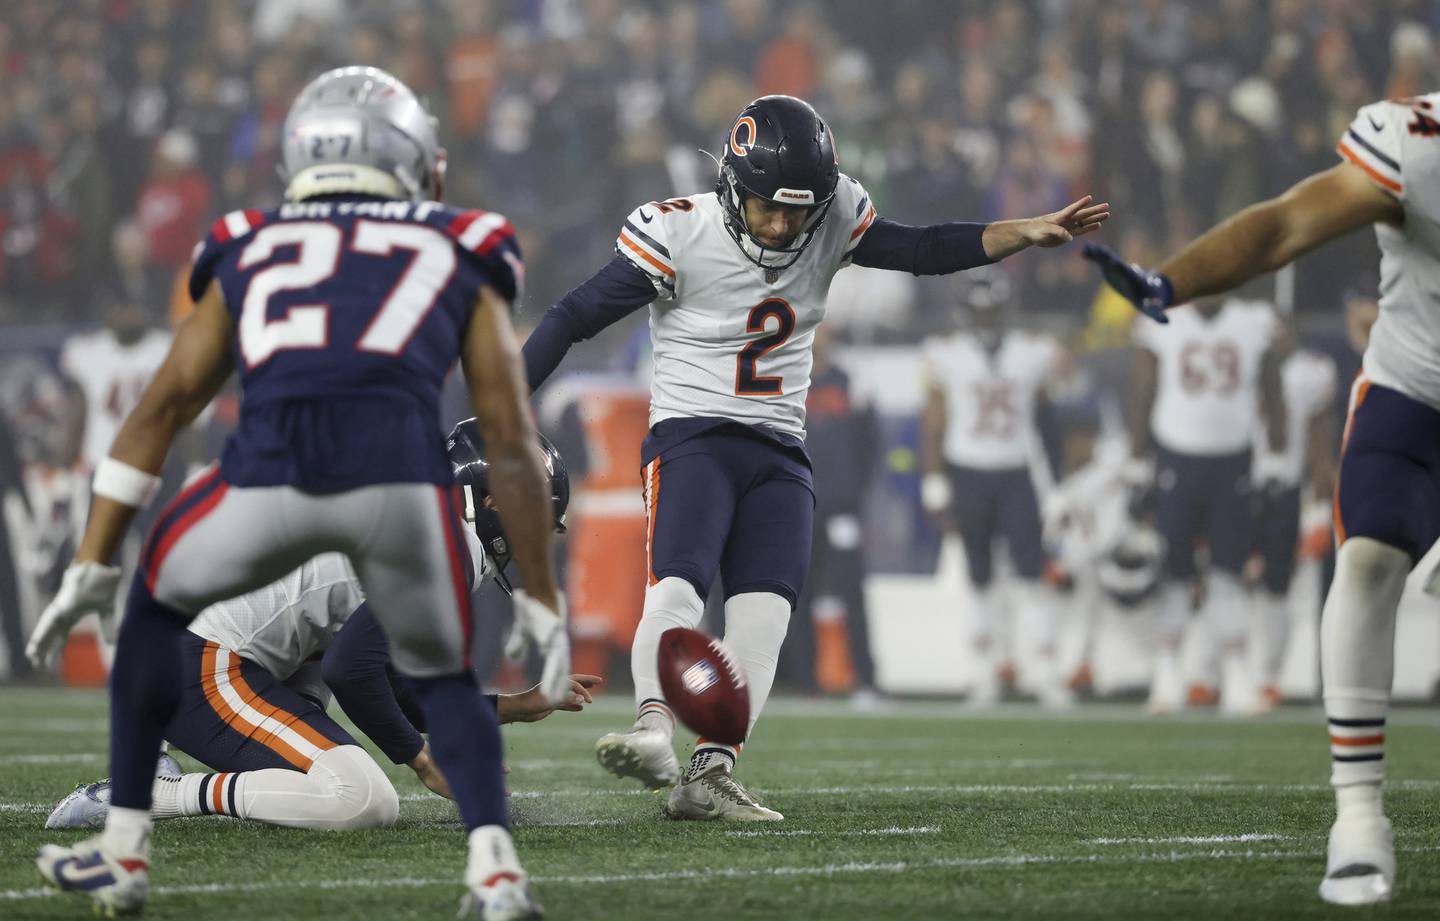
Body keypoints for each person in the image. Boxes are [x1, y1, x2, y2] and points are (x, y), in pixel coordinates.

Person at [25, 67, 566, 921]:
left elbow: (161, 409)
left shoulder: (247, 238)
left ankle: (125, 842)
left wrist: (95, 557)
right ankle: (152, 805)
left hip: (262, 512)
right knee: (362, 797)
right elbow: (504, 436)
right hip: (244, 632)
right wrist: (538, 600)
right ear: (413, 165)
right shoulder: (463, 243)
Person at [521, 94, 1108, 820]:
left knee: (764, 613)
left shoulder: (832, 217)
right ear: (733, 186)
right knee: (676, 583)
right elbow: (570, 318)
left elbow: (921, 250)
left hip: (779, 447)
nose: (780, 224)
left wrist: (1022, 232)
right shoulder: (678, 231)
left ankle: (711, 772)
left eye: (796, 211)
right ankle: (651, 728)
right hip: (694, 436)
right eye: (766, 206)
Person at [1084, 92, 1438, 905]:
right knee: (1370, 557)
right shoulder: (1419, 142)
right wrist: (1169, 282)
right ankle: (1357, 817)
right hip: (1414, 391)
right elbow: (1283, 225)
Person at [47, 423, 598, 833]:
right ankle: (147, 793)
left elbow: (387, 680)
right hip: (200, 661)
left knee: (326, 699)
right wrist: (423, 761)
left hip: (196, 645)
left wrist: (512, 706)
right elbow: (352, 670)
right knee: (361, 798)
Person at [1126, 293, 1285, 714]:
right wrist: (1137, 461)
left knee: (1229, 571)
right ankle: (1166, 676)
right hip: (1176, 455)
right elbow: (1144, 391)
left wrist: (1275, 459)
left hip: (1233, 458)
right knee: (1174, 571)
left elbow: (1273, 393)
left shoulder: (1254, 320)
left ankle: (1234, 676)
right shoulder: (1162, 318)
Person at [920, 268, 1071, 707]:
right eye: (979, 311)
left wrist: (1055, 485)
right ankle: (983, 672)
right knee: (979, 575)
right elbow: (934, 419)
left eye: (992, 311)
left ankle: (1044, 671)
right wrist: (934, 477)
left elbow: (1048, 424)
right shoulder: (945, 353)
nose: (986, 319)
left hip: (1017, 471)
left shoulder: (1032, 352)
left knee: (1031, 573)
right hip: (968, 470)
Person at [1249, 307, 1337, 710]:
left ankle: (1268, 676)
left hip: (1285, 487)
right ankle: (1211, 674)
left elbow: (1320, 440)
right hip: (1239, 485)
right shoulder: (1241, 366)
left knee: (1277, 585)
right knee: (1222, 576)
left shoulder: (1309, 372)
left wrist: (1318, 507)